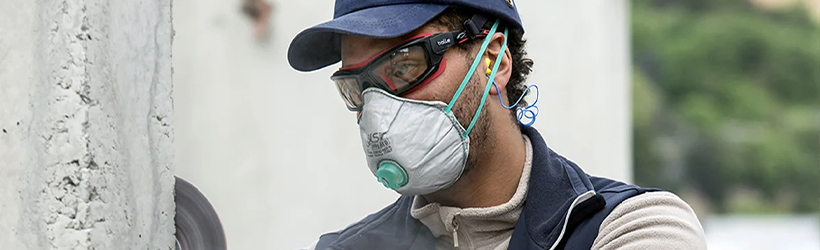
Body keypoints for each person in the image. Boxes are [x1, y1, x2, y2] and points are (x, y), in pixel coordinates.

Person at [287, 0, 707, 249]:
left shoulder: (632, 226)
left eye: (405, 66)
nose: (378, 110)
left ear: (494, 61)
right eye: (357, 87)